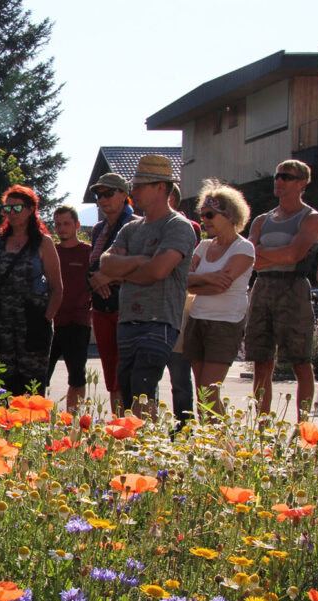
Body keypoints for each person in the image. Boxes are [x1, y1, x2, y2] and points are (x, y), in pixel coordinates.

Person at [100, 155, 195, 417]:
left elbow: (158, 270)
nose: (135, 191)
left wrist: (125, 269)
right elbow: (106, 264)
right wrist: (141, 261)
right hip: (128, 319)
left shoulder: (178, 226)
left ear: (162, 188)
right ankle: (137, 447)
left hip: (160, 321)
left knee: (143, 386)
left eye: (141, 185)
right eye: (134, 185)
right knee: (129, 388)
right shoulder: (131, 229)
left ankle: (145, 449)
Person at [246, 159, 318, 418]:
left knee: (301, 361)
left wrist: (270, 254)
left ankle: (303, 426)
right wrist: (278, 255)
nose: (279, 181)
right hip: (263, 287)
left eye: (287, 177)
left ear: (302, 183)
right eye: (277, 176)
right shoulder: (261, 219)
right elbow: (250, 258)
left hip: (294, 289)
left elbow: (295, 253)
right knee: (261, 360)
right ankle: (263, 424)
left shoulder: (311, 217)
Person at [0, 185, 62, 396]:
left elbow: (57, 288)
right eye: (7, 209)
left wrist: (45, 319)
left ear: (31, 209)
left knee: (32, 389)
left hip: (33, 326)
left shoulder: (44, 243)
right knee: (4, 388)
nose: (11, 214)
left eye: (17, 208)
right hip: (1, 325)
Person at [183, 181, 255, 417]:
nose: (205, 220)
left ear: (230, 215)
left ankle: (225, 450)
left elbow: (222, 287)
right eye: (203, 214)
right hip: (197, 321)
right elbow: (183, 281)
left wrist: (199, 281)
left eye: (211, 214)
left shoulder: (244, 248)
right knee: (201, 394)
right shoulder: (203, 246)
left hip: (224, 324)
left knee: (209, 393)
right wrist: (210, 279)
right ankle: (211, 447)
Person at [86, 173, 139, 414]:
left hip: (128, 307)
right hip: (101, 307)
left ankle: (137, 429)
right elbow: (92, 267)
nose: (103, 199)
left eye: (108, 193)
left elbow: (144, 267)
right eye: (99, 195)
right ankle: (119, 426)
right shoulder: (99, 229)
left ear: (124, 195)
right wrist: (96, 280)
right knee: (111, 374)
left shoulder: (137, 225)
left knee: (132, 374)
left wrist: (108, 277)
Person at [46, 205, 91, 412]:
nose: (62, 228)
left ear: (77, 225)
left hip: (78, 323)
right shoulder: (49, 251)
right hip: (49, 322)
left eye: (66, 224)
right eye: (57, 224)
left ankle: (72, 422)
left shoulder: (88, 253)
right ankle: (35, 420)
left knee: (76, 377)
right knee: (40, 375)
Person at [166, 183, 202, 426]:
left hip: (180, 307)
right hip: (153, 307)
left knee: (180, 374)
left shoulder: (189, 228)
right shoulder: (140, 227)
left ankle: (184, 425)